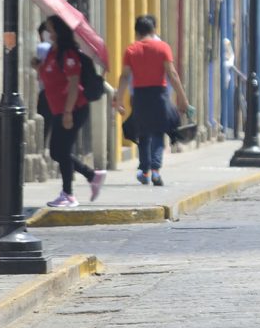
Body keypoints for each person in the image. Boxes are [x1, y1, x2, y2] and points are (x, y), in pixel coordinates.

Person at [32, 15, 107, 208]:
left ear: (58, 31)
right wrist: (37, 66)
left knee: (60, 151)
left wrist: (67, 113)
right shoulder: (52, 52)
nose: (47, 32)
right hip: (59, 108)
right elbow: (49, 75)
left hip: (73, 108)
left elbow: (73, 85)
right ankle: (92, 176)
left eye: (50, 28)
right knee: (58, 151)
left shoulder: (69, 54)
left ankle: (69, 194)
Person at [114, 16, 190, 186]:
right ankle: (155, 169)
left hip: (140, 96)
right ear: (153, 30)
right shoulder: (163, 47)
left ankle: (145, 170)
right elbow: (172, 75)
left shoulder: (131, 50)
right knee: (158, 132)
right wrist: (183, 99)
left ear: (137, 32)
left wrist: (119, 99)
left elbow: (125, 76)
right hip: (159, 95)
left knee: (143, 133)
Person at [32, 22, 53, 142]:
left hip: (45, 92)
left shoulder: (43, 48)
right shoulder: (55, 50)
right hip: (53, 93)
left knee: (45, 125)